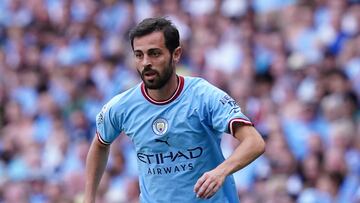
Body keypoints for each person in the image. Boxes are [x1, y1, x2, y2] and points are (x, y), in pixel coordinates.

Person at [84, 17, 265, 203]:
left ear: (176, 54)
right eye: (139, 55)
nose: (146, 62)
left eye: (154, 54)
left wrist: (221, 171)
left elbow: (254, 142)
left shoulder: (204, 96)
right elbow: (100, 144)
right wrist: (89, 199)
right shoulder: (121, 106)